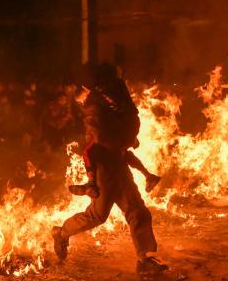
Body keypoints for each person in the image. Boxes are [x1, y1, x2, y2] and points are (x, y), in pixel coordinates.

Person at [52, 63, 167, 275]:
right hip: (104, 167)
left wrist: (128, 139)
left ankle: (146, 257)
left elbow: (128, 124)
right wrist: (92, 179)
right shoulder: (97, 105)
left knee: (138, 212)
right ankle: (61, 232)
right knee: (97, 216)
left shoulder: (114, 99)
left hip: (119, 163)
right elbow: (92, 146)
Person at [69, 64, 161, 198]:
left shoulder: (96, 97)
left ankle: (91, 183)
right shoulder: (118, 84)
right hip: (130, 125)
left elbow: (97, 123)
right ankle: (148, 176)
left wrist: (97, 139)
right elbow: (116, 111)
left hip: (121, 130)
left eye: (81, 99)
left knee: (87, 151)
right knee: (120, 151)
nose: (82, 101)